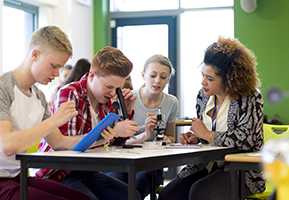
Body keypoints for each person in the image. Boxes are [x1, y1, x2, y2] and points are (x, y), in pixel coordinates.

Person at [158, 37, 265, 200]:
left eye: (210, 79)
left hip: (240, 171)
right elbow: (206, 138)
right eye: (202, 75)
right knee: (169, 195)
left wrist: (207, 135)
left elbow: (247, 141)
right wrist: (196, 138)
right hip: (206, 165)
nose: (203, 82)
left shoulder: (250, 97)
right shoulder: (203, 96)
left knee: (200, 193)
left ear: (230, 79)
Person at [37, 46, 140, 200]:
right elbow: (67, 148)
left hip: (88, 171)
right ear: (92, 75)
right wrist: (110, 134)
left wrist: (128, 111)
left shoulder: (106, 100)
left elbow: (117, 143)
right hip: (60, 173)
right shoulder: (70, 94)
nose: (113, 93)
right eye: (109, 87)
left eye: (117, 88)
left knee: (132, 196)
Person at [0, 26, 91, 200]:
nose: (57, 74)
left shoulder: (39, 96)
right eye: (53, 66)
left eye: (60, 67)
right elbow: (8, 145)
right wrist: (54, 120)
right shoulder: (3, 88)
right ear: (35, 55)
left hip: (19, 178)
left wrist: (99, 136)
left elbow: (58, 142)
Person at [107, 54, 179, 199]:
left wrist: (166, 139)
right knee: (115, 188)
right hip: (123, 161)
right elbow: (116, 140)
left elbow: (171, 137)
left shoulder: (171, 102)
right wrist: (145, 133)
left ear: (168, 80)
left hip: (150, 164)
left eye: (163, 77)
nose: (157, 81)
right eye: (153, 75)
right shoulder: (129, 98)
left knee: (135, 192)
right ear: (143, 75)